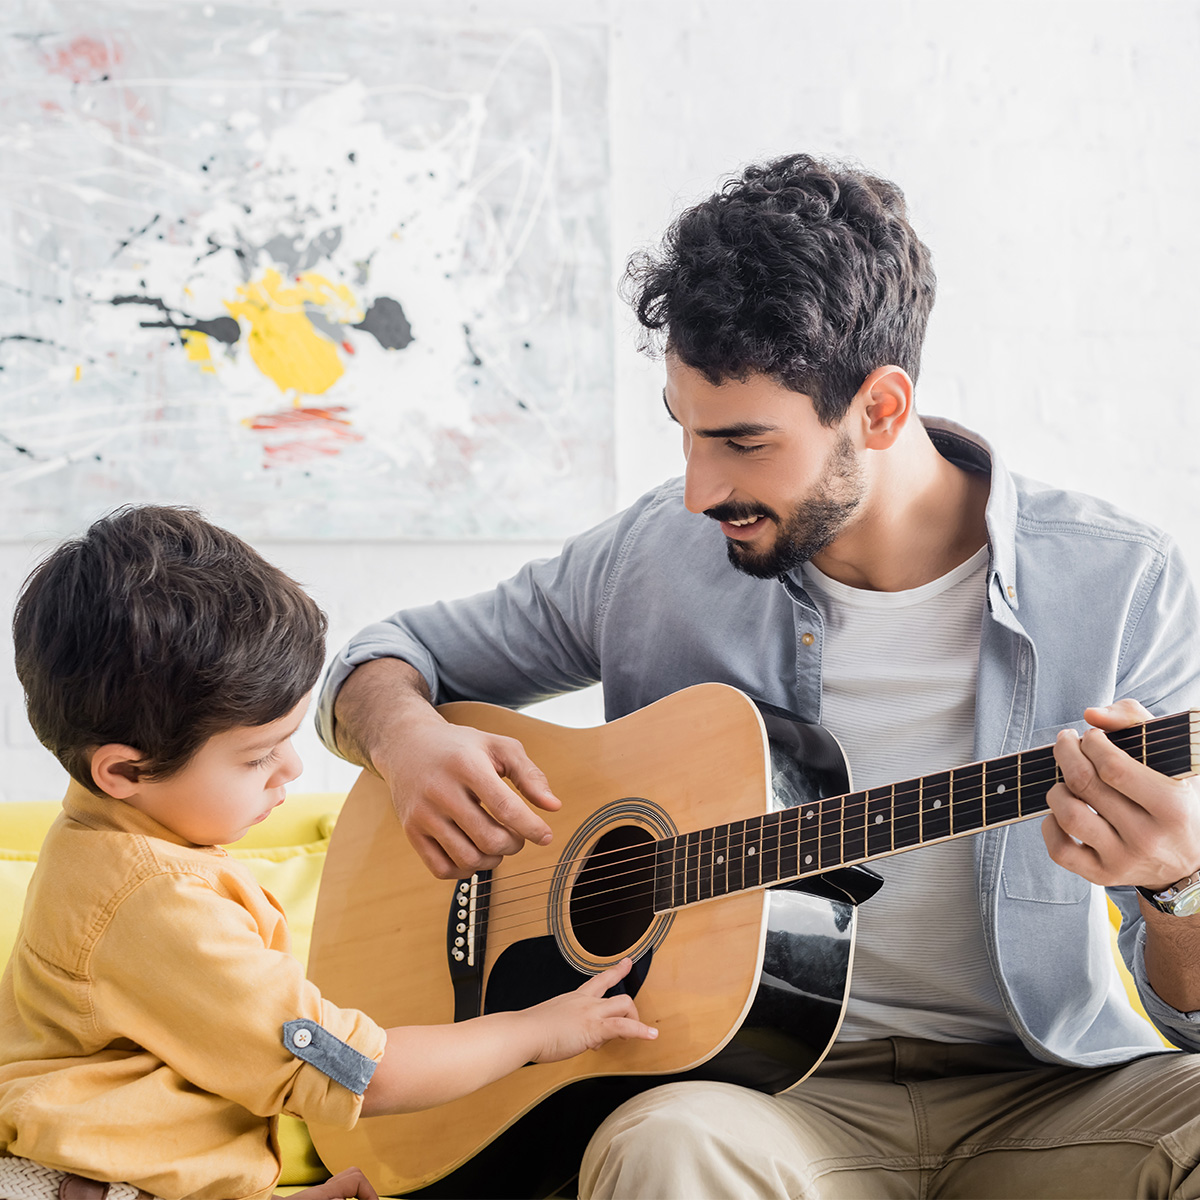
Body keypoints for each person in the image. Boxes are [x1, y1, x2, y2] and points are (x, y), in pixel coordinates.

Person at [317, 154, 1200, 1199]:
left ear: (880, 407)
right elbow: (379, 660)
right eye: (684, 433)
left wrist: (1176, 885)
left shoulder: (1122, 583)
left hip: (1049, 1096)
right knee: (658, 1148)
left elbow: (1184, 1009)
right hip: (766, 1106)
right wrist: (406, 738)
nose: (698, 489)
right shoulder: (653, 556)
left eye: (742, 442)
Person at [0, 505, 656, 1200]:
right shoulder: (157, 902)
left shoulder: (102, 850)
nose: (290, 771)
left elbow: (151, 1098)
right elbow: (363, 1071)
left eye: (286, 739)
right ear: (124, 771)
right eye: (256, 758)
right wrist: (536, 1031)